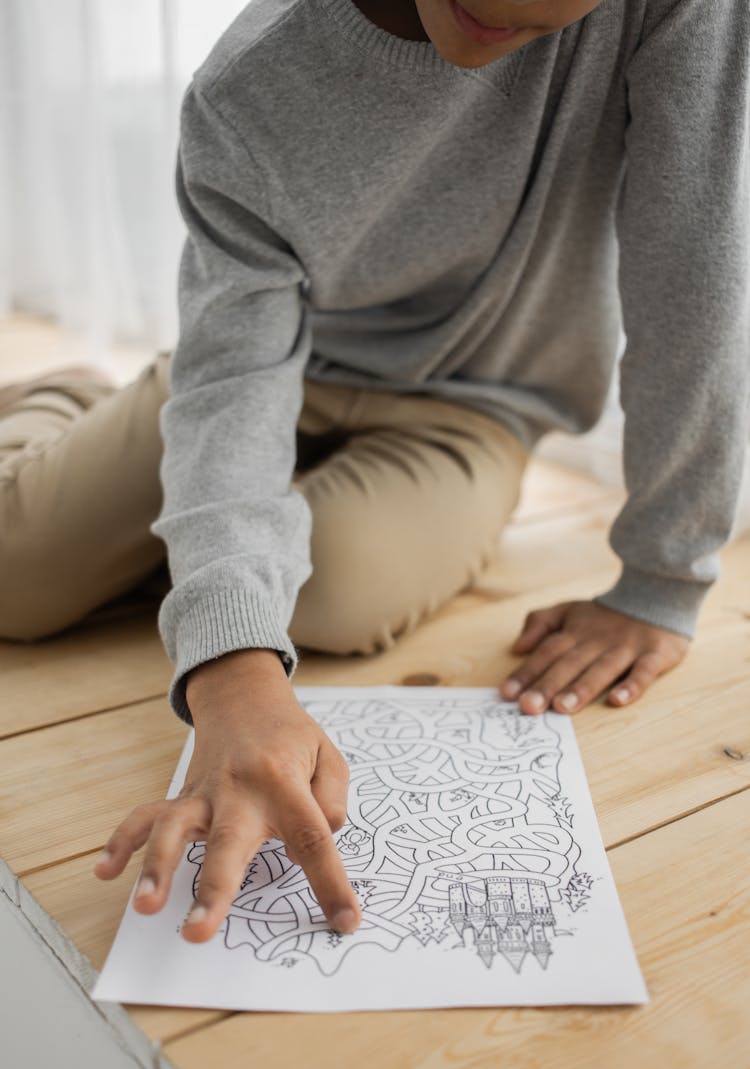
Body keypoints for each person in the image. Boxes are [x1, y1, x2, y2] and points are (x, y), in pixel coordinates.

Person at [1, 0, 748, 943]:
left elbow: (695, 276)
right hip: (272, 358)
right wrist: (230, 669)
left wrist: (663, 578)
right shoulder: (253, 84)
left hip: (474, 403)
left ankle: (197, 514)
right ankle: (64, 396)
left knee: (333, 594)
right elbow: (235, 377)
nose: (503, 26)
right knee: (16, 576)